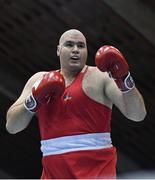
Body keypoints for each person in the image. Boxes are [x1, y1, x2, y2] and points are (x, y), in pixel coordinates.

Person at [6, 29, 146, 179]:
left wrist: (124, 78)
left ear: (86, 50)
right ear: (58, 50)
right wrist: (34, 99)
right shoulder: (38, 79)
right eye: (69, 45)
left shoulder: (100, 77)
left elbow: (137, 115)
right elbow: (12, 127)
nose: (75, 50)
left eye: (81, 46)